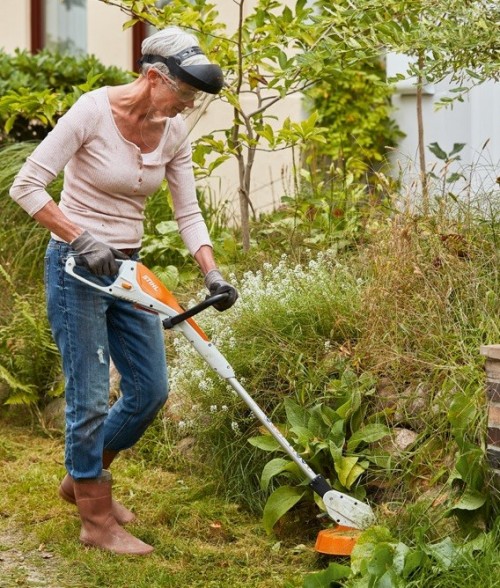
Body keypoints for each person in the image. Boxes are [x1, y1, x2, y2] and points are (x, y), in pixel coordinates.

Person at [9, 26, 238, 556]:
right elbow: (27, 185)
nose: (186, 107)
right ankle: (94, 518)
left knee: (149, 389)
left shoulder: (172, 131)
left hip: (128, 271)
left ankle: (80, 478)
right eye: (182, 94)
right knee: (88, 396)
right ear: (154, 77)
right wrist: (79, 236)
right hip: (77, 266)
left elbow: (188, 211)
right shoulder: (92, 112)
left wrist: (212, 272)